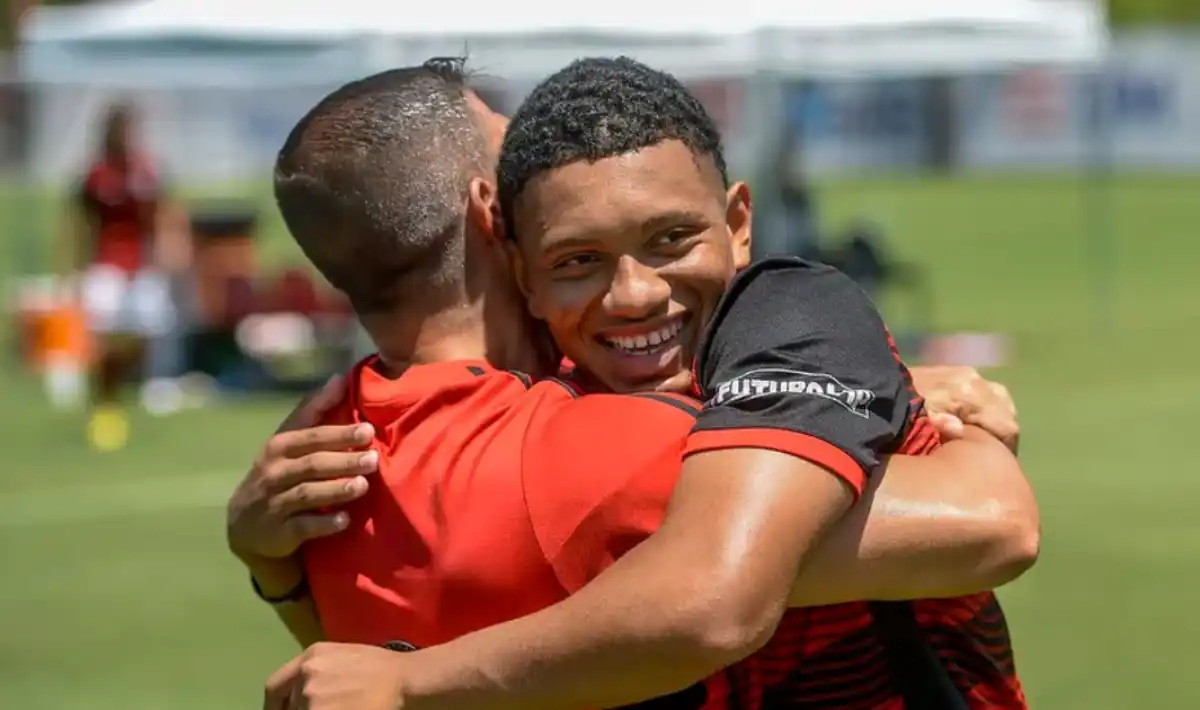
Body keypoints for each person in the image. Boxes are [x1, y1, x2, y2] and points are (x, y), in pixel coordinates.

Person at [226, 58, 1033, 709]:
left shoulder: (324, 468)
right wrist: (951, 426)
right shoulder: (602, 447)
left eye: (671, 238)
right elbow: (986, 525)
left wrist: (274, 572)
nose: (635, 292)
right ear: (494, 221)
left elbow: (356, 656)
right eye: (575, 253)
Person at [62, 102, 189, 451]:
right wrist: (75, 267)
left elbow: (164, 212)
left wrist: (170, 248)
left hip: (142, 264)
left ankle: (143, 384)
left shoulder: (147, 171)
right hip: (106, 264)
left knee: (146, 329)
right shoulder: (95, 175)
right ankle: (104, 396)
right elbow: (80, 223)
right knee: (101, 332)